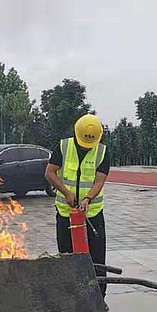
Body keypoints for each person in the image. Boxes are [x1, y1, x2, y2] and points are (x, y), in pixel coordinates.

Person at [45, 113, 110, 296]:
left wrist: (88, 198)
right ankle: (71, 295)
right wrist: (66, 193)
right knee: (67, 256)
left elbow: (99, 180)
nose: (86, 146)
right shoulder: (63, 146)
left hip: (92, 214)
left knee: (97, 259)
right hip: (66, 213)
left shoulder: (102, 151)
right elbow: (50, 172)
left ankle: (98, 298)